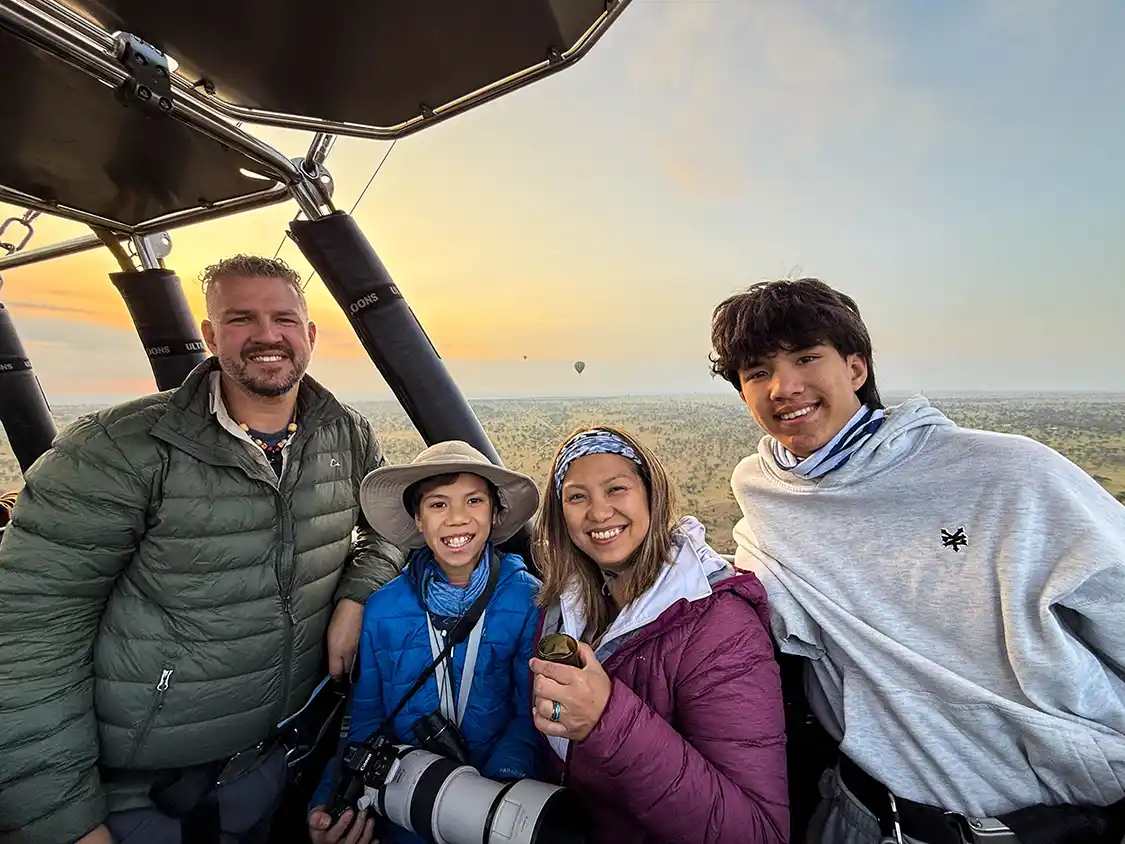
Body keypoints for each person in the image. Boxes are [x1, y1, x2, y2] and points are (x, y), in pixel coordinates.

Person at [0, 254, 404, 844]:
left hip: (275, 761)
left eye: (285, 319)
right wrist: (63, 821)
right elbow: (29, 636)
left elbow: (391, 525)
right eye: (241, 319)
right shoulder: (119, 449)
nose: (268, 335)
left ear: (310, 335)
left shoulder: (342, 431)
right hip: (144, 789)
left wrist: (358, 595)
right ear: (211, 336)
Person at [712, 277, 1125, 844]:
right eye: (758, 372)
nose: (784, 385)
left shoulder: (1012, 475)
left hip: (1056, 819)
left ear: (856, 369)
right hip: (866, 817)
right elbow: (748, 598)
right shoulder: (763, 494)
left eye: (807, 358)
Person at [529, 425, 789, 844]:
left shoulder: (721, 627)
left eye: (616, 489)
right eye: (577, 496)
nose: (598, 512)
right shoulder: (565, 603)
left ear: (652, 493)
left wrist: (606, 720)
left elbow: (758, 832)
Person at [307, 440, 545, 844]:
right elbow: (367, 720)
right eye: (437, 505)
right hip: (407, 807)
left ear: (494, 511)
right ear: (417, 519)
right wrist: (332, 802)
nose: (457, 519)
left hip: (495, 807)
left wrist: (493, 794)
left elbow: (530, 715)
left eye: (473, 501)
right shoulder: (383, 609)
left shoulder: (527, 600)